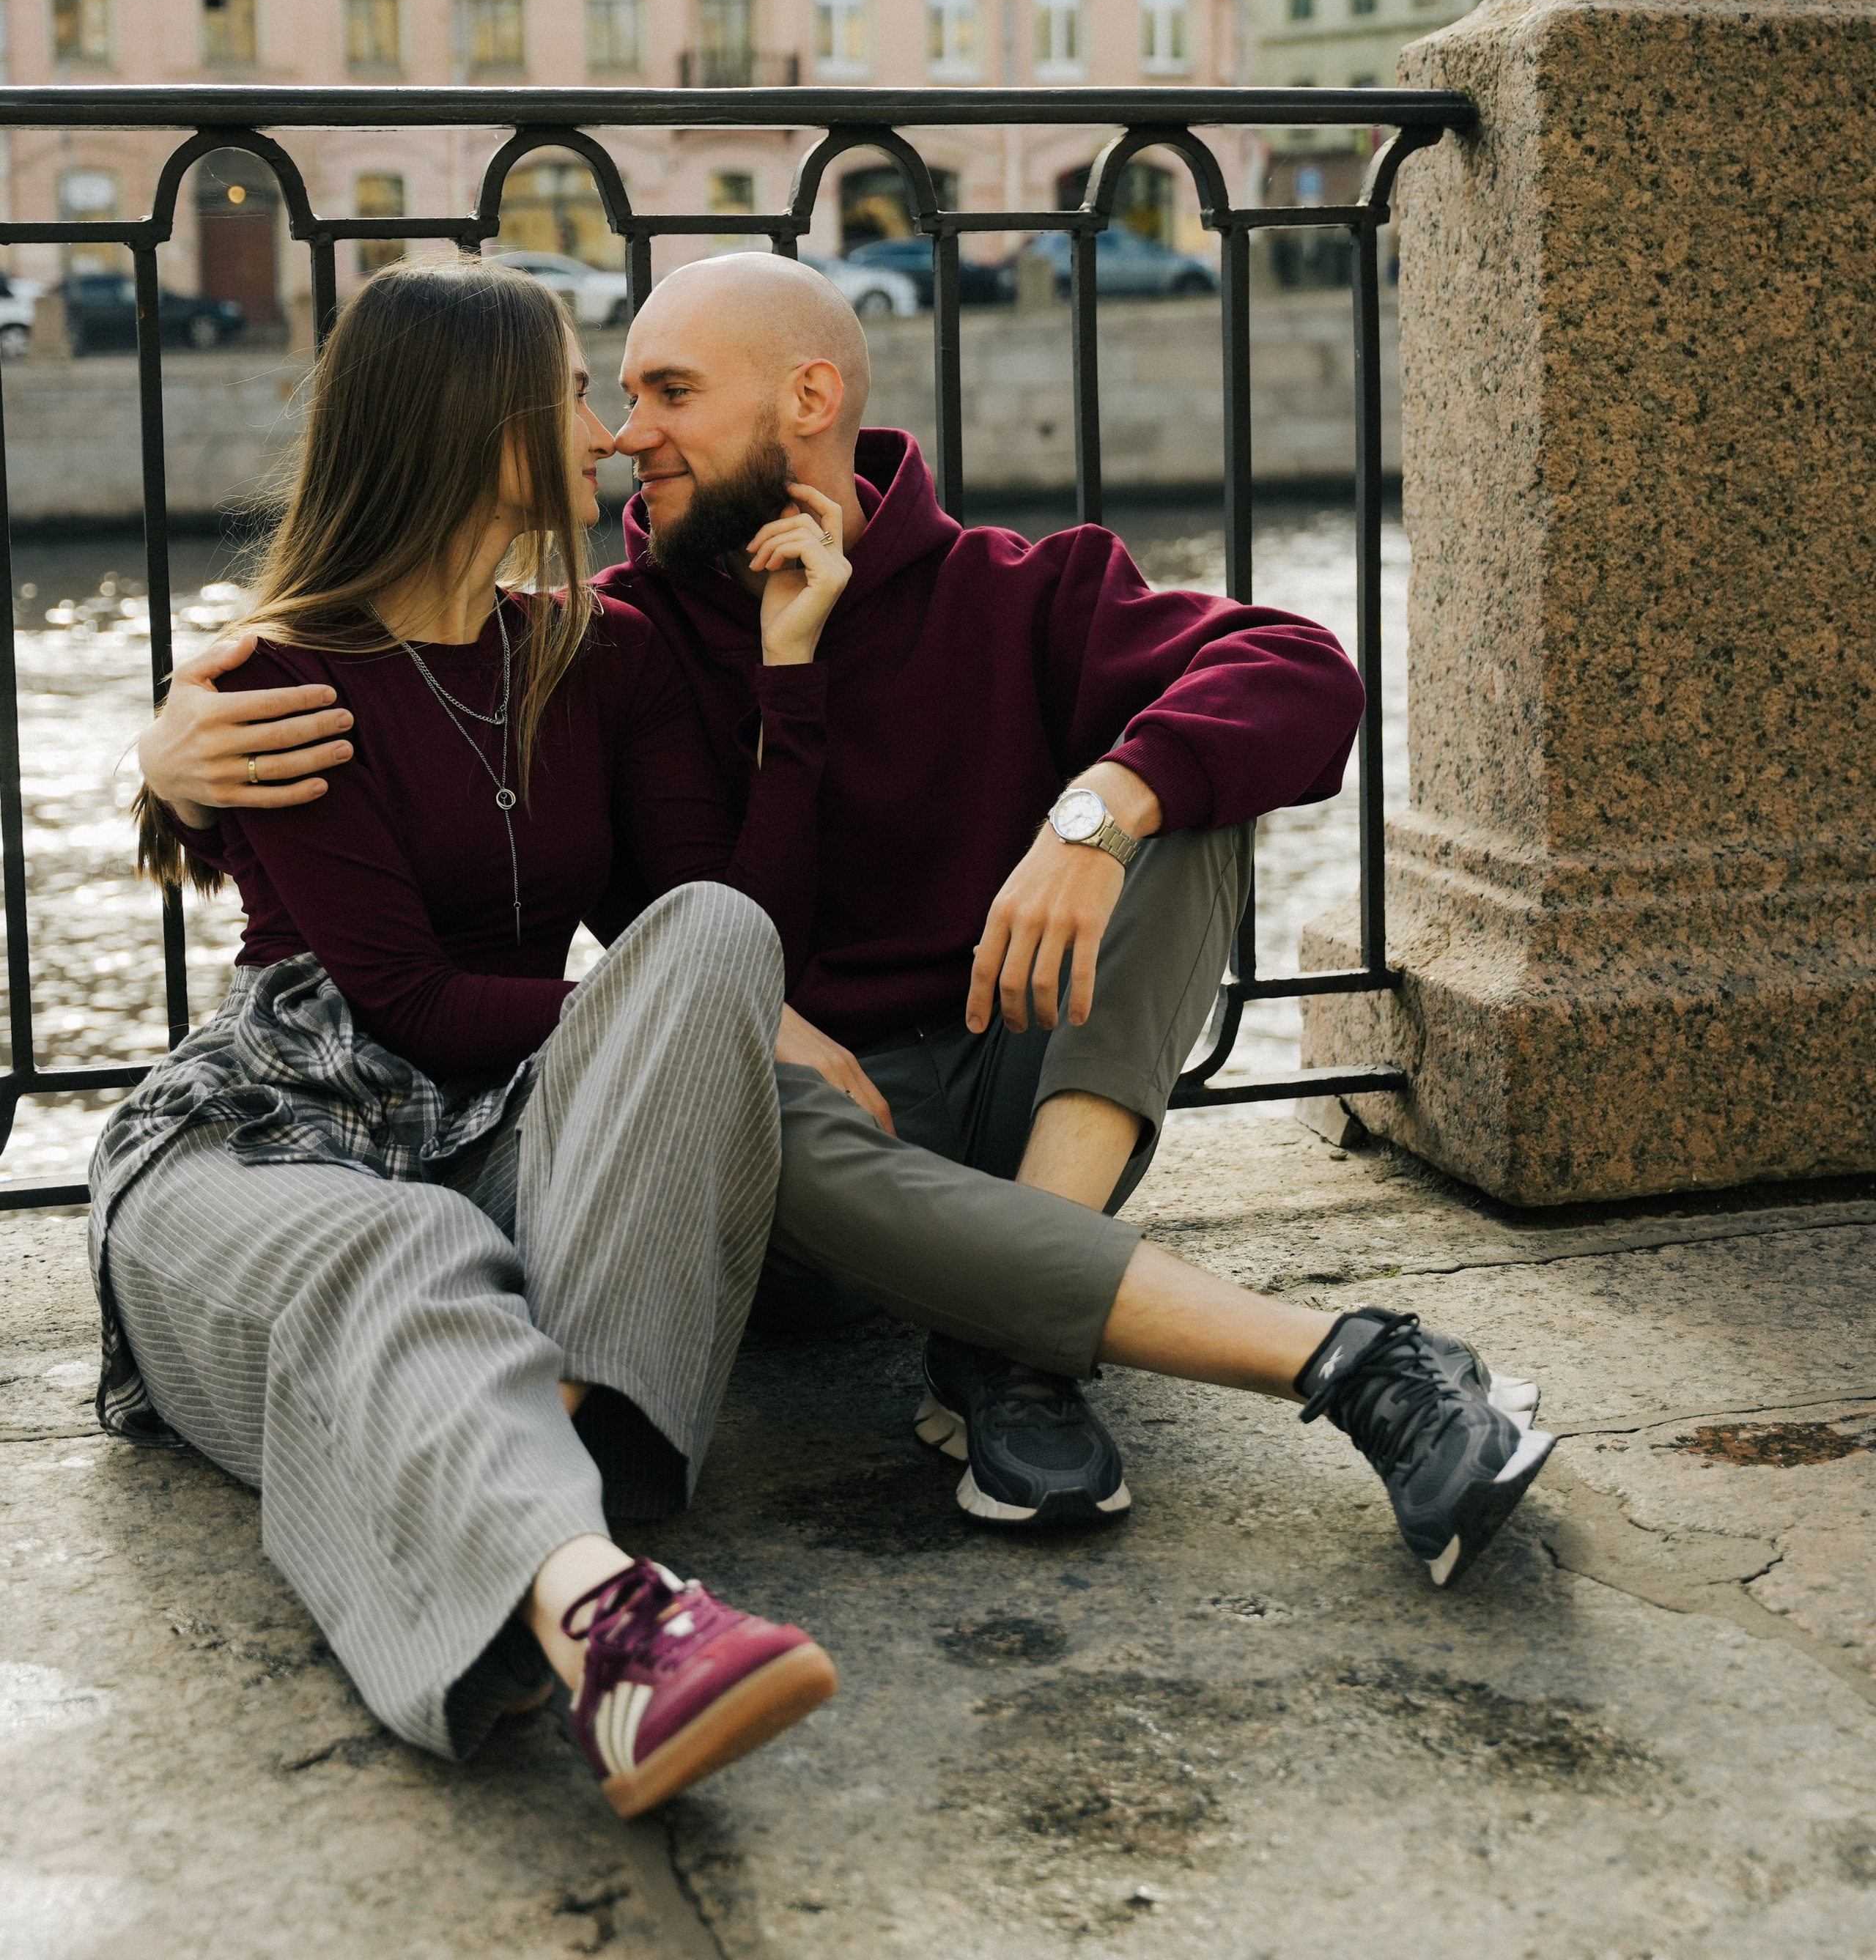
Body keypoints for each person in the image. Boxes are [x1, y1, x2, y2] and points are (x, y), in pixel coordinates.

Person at [139, 254, 1555, 1593]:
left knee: (1184, 807)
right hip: (796, 1144)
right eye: (608, 396)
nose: (626, 437)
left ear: (807, 400)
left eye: (666, 394)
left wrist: (1099, 812)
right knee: (741, 1064)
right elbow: (680, 939)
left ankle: (1009, 1353)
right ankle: (1336, 1363)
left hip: (1017, 1087)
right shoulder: (621, 633)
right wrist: (166, 768)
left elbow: (1300, 669)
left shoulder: (1015, 590)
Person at [99, 257, 854, 1820]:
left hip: (497, 1131)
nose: (602, 436)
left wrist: (795, 671)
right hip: (273, 1133)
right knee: (403, 1261)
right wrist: (663, 1024)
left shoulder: (600, 655)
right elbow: (409, 1005)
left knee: (705, 939)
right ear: (472, 423)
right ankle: (611, 1622)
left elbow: (726, 939)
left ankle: (553, 1499)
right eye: (572, 393)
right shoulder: (276, 679)